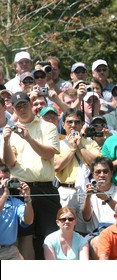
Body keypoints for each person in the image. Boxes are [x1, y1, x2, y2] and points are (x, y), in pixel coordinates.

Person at [3, 91, 61, 260]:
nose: (22, 109)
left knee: (50, 238)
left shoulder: (47, 126)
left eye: (24, 105)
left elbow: (49, 154)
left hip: (45, 189)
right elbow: (10, 163)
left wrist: (28, 138)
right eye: (18, 106)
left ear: (31, 104)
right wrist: (6, 141)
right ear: (13, 109)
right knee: (25, 237)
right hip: (20, 190)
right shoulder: (10, 131)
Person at [81, 156, 117, 258]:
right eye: (98, 172)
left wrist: (107, 199)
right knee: (98, 242)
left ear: (111, 173)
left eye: (105, 171)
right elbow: (86, 218)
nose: (102, 175)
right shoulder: (86, 193)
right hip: (96, 234)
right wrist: (87, 197)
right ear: (93, 175)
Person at [0, 175, 34, 260]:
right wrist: (4, 195)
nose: (4, 181)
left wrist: (27, 198)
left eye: (6, 178)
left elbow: (28, 221)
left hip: (9, 250)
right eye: (1, 178)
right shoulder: (5, 197)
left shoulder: (15, 202)